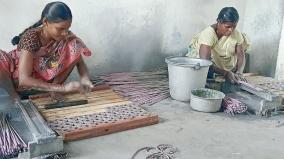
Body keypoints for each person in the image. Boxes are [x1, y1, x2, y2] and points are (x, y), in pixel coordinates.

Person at [0, 1, 93, 103]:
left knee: (75, 44)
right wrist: (63, 88)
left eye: (67, 28)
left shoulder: (65, 36)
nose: (65, 33)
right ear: (45, 22)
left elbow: (79, 61)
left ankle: (53, 91)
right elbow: (24, 80)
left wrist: (85, 78)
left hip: (46, 80)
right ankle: (15, 95)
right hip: (19, 78)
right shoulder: (31, 38)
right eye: (60, 29)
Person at [186, 7, 250, 84]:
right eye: (227, 27)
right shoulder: (208, 34)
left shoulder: (236, 33)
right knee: (203, 72)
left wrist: (239, 72)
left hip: (223, 65)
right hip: (209, 64)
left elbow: (240, 54)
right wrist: (226, 73)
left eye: (234, 26)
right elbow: (205, 62)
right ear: (218, 22)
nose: (231, 30)